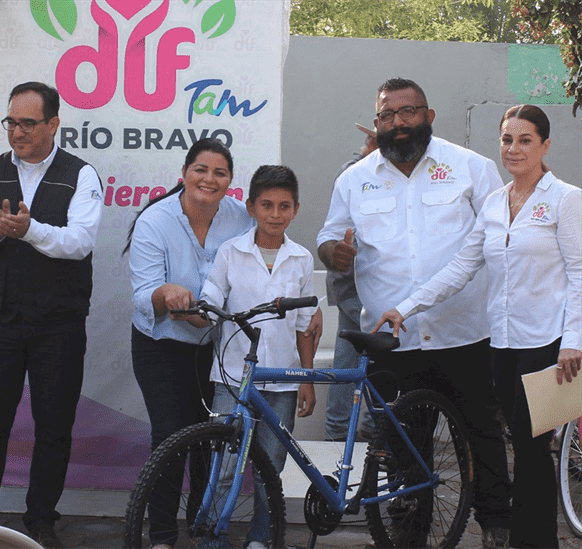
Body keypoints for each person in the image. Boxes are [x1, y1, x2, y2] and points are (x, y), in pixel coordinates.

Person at [317, 77, 512, 548]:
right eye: (387, 115)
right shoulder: (354, 179)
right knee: (404, 450)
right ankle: (409, 534)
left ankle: (496, 527)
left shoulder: (471, 168)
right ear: (377, 122)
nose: (398, 123)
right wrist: (332, 254)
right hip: (392, 342)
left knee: (481, 435)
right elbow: (329, 236)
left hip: (464, 334)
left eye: (408, 112)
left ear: (428, 116)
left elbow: (497, 240)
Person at [375, 104, 582, 549]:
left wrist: (574, 342)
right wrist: (405, 307)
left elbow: (581, 272)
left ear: (545, 145)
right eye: (507, 139)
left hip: (551, 345)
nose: (514, 148)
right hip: (504, 344)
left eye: (525, 139)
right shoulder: (493, 204)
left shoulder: (566, 199)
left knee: (532, 450)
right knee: (523, 450)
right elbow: (460, 269)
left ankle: (535, 542)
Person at [126, 141, 322, 549]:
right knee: (171, 438)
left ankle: (223, 533)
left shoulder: (254, 226)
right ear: (184, 172)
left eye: (220, 173)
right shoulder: (157, 221)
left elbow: (300, 312)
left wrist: (310, 329)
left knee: (222, 454)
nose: (209, 179)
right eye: (201, 170)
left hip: (228, 353)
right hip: (169, 345)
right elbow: (165, 295)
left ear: (231, 183)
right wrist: (170, 297)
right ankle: (166, 535)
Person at [0, 82, 103, 548]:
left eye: (27, 123)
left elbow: (80, 242)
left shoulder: (81, 175)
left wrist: (29, 228)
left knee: (54, 425)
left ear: (53, 125)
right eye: (11, 122)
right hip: (0, 318)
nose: (17, 132)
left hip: (58, 323)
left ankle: (41, 519)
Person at [188, 164, 316, 549]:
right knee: (225, 466)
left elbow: (305, 325)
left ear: (295, 209)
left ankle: (261, 537)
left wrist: (306, 377)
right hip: (232, 379)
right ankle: (213, 538)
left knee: (270, 469)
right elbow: (212, 292)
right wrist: (204, 308)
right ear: (251, 208)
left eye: (283, 206)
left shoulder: (302, 258)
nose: (275, 214)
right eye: (266, 205)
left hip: (282, 382)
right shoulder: (232, 251)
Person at [325, 123, 378, 442]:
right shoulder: (355, 173)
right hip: (356, 292)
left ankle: (350, 435)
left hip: (359, 292)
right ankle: (352, 435)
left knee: (350, 367)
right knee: (360, 367)